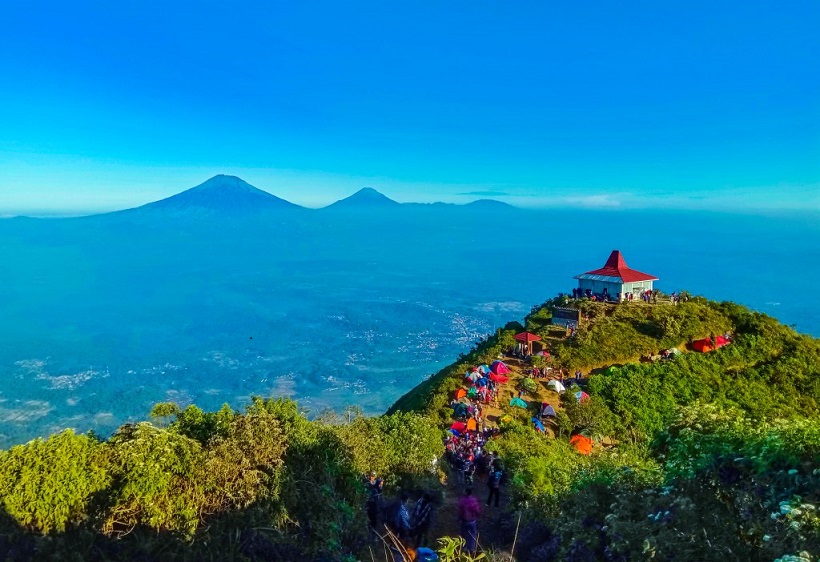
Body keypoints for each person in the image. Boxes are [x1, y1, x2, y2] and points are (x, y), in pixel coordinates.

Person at [457, 487, 481, 555]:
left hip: (464, 521)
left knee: (464, 535)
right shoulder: (474, 500)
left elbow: (460, 511)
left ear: (465, 492)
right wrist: (477, 515)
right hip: (472, 521)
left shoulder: (462, 501)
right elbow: (477, 510)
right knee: (473, 534)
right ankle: (472, 549)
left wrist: (459, 518)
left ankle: (465, 548)